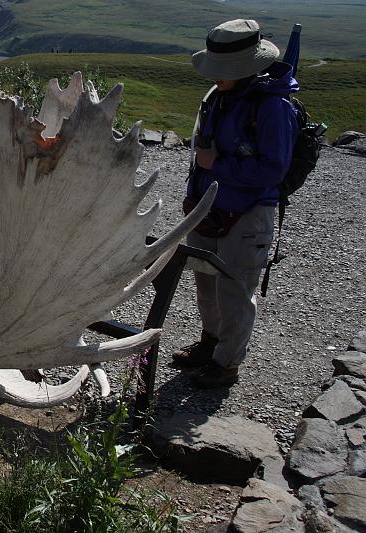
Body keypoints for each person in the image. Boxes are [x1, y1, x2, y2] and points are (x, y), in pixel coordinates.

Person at [172, 19, 299, 388]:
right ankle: (210, 343)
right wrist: (193, 193)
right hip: (207, 207)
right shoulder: (218, 96)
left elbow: (273, 169)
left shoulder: (274, 107)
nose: (216, 77)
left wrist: (217, 166)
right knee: (205, 283)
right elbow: (203, 150)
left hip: (248, 213)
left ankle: (226, 363)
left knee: (235, 289)